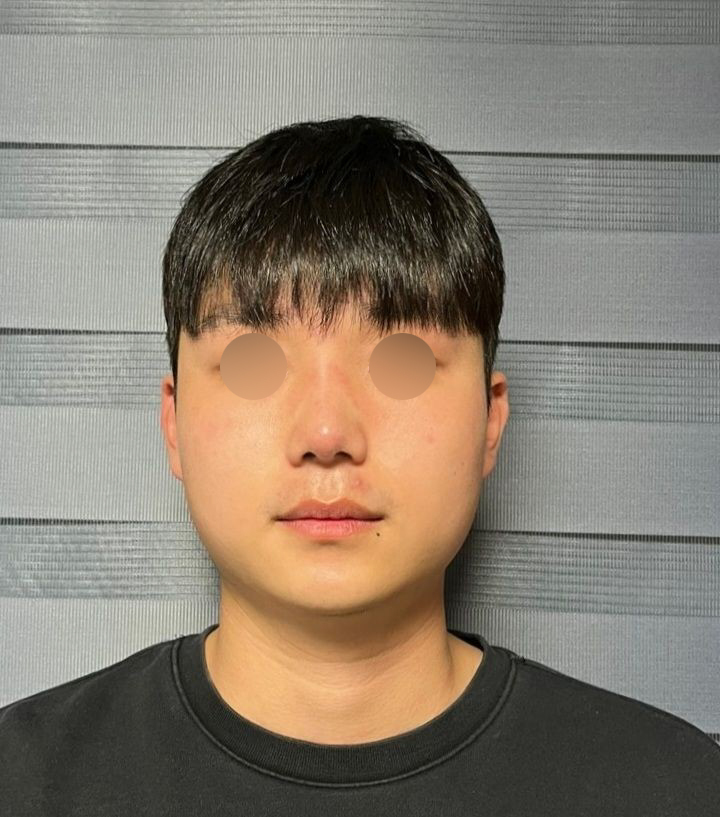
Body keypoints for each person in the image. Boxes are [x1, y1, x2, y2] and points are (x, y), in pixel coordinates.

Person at [1, 115, 718, 814]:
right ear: (174, 423)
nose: (325, 433)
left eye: (402, 362)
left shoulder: (672, 788)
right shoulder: (24, 780)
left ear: (490, 421)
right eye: (253, 363)